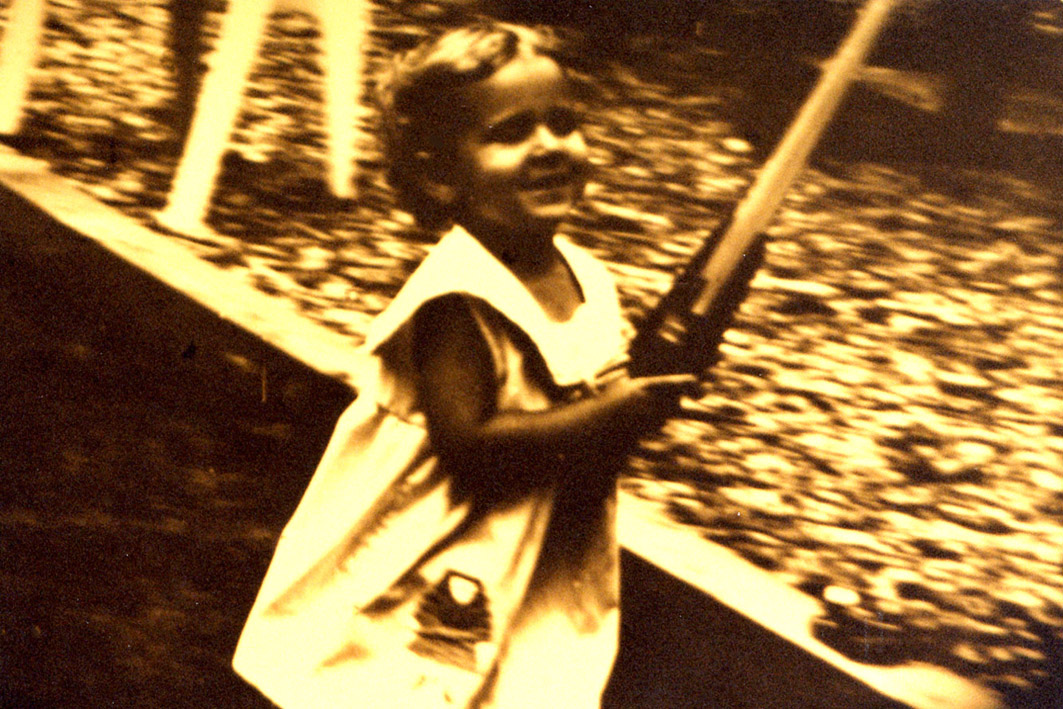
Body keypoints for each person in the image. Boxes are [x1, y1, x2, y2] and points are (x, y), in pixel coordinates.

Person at [232, 21, 696, 708]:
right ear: (439, 175)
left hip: (538, 542)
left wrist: (648, 385)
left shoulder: (588, 277)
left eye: (563, 123)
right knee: (400, 681)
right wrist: (613, 412)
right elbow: (469, 445)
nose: (549, 146)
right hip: (435, 543)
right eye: (511, 133)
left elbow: (596, 396)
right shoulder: (458, 297)